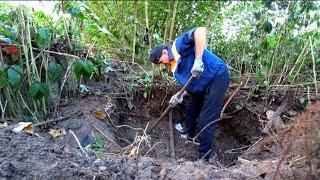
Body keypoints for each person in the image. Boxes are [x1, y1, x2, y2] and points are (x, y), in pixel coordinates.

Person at [149, 27, 230, 161]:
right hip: (200, 86)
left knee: (206, 120)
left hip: (216, 76)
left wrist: (198, 61)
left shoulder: (178, 46)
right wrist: (179, 95)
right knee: (190, 105)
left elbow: (200, 31)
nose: (161, 65)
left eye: (159, 61)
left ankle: (205, 156)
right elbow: (189, 85)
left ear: (164, 52)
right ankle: (190, 134)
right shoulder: (174, 68)